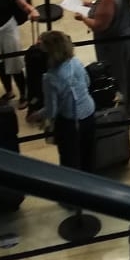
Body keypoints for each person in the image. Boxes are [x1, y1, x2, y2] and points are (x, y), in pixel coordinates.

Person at [76, 0, 130, 108]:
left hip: (114, 43)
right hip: (124, 36)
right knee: (124, 71)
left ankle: (118, 105)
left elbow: (99, 25)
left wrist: (83, 17)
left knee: (115, 73)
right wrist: (91, 5)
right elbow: (105, 8)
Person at [40, 30, 95, 171]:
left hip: (70, 122)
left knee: (70, 160)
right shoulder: (76, 62)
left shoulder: (50, 78)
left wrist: (39, 114)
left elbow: (52, 109)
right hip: (89, 112)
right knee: (88, 154)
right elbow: (87, 82)